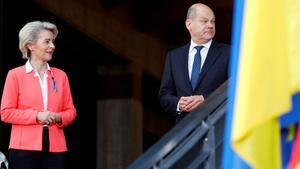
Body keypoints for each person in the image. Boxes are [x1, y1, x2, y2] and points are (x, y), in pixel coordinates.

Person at [0, 21, 77, 169]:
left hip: (56, 150)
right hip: (22, 149)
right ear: (30, 45)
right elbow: (6, 113)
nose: (52, 46)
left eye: (52, 42)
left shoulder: (61, 76)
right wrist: (37, 116)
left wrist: (59, 117)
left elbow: (71, 112)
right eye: (47, 41)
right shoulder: (15, 75)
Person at [159, 3, 230, 122]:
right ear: (189, 24)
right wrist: (178, 103)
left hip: (217, 130)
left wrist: (206, 100)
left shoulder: (228, 52)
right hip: (185, 132)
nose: (210, 25)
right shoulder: (174, 57)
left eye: (213, 21)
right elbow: (164, 95)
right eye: (204, 21)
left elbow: (235, 88)